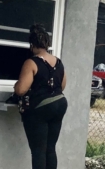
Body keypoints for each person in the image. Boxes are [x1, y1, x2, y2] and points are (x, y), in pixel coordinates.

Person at [14, 24, 67, 169]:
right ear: (47, 43)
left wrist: (15, 85)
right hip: (60, 103)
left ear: (32, 45)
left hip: (40, 108)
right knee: (50, 148)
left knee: (38, 151)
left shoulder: (31, 62)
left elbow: (21, 90)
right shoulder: (59, 62)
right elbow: (62, 86)